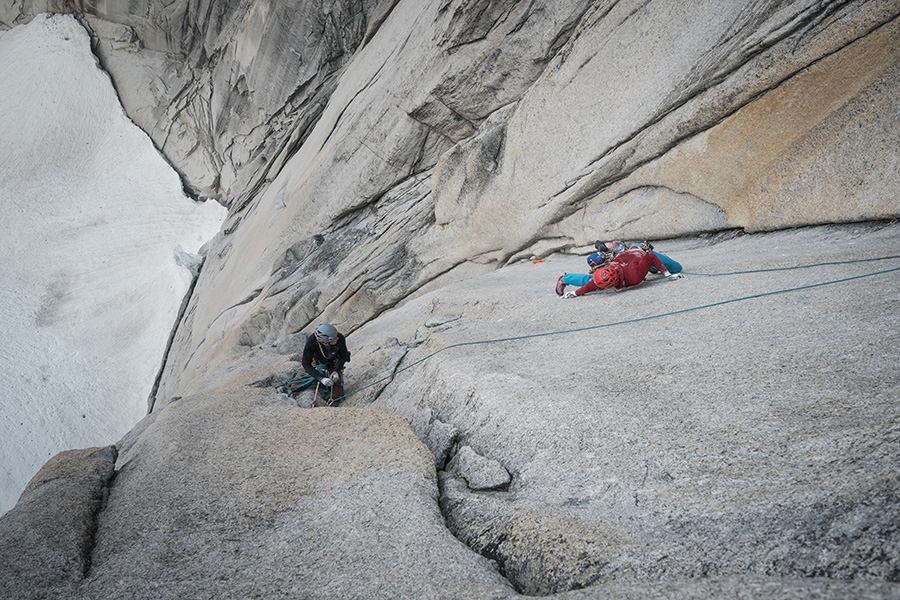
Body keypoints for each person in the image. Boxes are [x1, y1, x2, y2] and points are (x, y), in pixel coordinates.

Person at [555, 240, 682, 296]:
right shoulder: (606, 272)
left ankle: (652, 267)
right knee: (593, 281)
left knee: (676, 268)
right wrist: (574, 293)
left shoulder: (634, 276)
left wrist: (668, 275)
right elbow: (592, 285)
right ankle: (565, 278)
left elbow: (650, 257)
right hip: (624, 257)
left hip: (638, 250)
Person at [302, 323, 351, 389]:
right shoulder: (311, 342)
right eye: (334, 338)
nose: (337, 338)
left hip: (333, 362)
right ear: (325, 342)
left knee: (336, 392)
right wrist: (321, 378)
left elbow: (343, 355)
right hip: (317, 362)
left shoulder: (340, 338)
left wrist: (336, 370)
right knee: (295, 385)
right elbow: (306, 363)